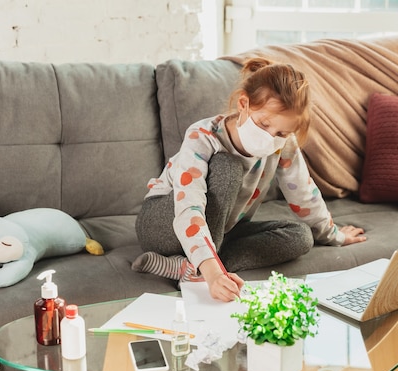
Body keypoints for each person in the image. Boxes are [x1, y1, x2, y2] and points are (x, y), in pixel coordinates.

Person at [133, 58, 366, 302]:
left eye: (282, 133)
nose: (271, 137)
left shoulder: (283, 144)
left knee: (301, 236)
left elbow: (303, 193)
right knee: (227, 167)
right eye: (264, 124)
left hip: (222, 231)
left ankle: (186, 267)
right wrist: (213, 275)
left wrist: (334, 235)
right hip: (163, 223)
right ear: (244, 104)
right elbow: (188, 206)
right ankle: (205, 268)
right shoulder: (203, 136)